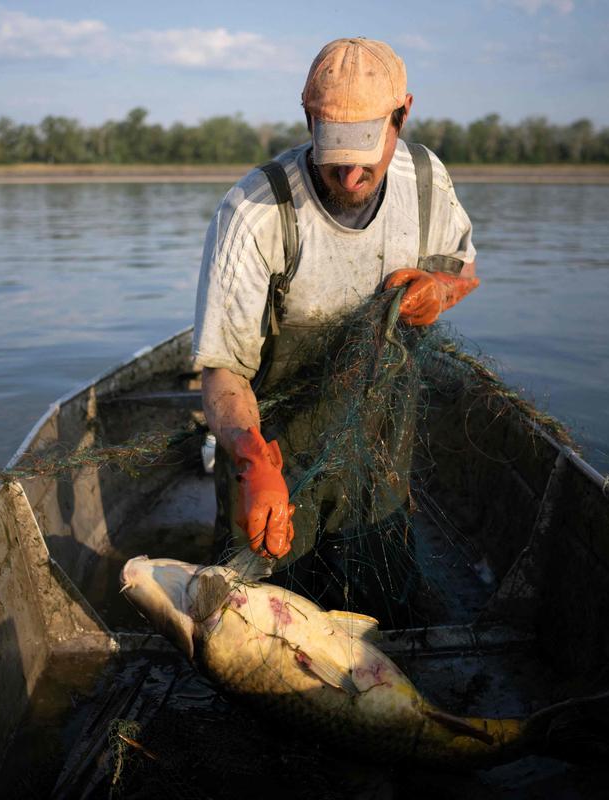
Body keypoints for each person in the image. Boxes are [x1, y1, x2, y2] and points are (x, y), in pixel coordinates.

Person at [192, 37, 479, 619]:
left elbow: (464, 270)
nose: (350, 175)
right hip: (277, 446)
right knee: (255, 619)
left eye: (366, 152)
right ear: (308, 122)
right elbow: (223, 374)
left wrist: (438, 292)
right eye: (335, 152)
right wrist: (253, 462)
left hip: (378, 438)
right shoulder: (255, 212)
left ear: (402, 115)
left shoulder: (425, 182)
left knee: (378, 605)